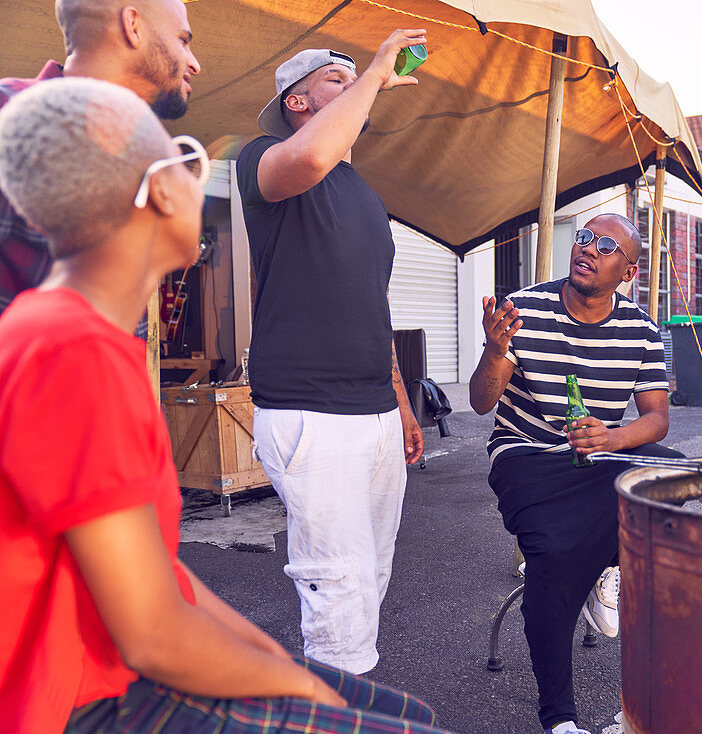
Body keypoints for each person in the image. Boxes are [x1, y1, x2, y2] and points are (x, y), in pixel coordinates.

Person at [0, 77, 452, 734]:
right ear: (155, 190)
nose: (203, 179)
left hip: (121, 661)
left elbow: (167, 585)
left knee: (400, 709)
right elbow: (153, 638)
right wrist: (305, 692)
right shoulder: (69, 352)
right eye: (186, 156)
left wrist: (275, 661)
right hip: (86, 699)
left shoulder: (91, 341)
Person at [235, 36, 428, 676]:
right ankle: (338, 711)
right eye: (336, 78)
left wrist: (401, 404)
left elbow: (372, 303)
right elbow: (314, 153)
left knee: (368, 579)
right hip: (310, 411)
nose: (355, 84)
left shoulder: (362, 192)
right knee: (337, 592)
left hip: (373, 410)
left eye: (355, 77)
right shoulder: (262, 158)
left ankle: (347, 699)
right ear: (297, 100)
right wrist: (374, 70)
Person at [470, 213, 683, 734]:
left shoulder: (641, 330)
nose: (587, 248)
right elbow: (480, 404)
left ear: (629, 271)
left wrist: (611, 438)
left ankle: (603, 561)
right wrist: (495, 350)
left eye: (606, 245)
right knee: (554, 555)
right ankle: (561, 721)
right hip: (525, 457)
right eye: (583, 238)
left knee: (674, 474)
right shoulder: (523, 308)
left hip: (594, 459)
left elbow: (656, 419)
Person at [0, 0, 201, 315]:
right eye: (183, 41)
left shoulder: (146, 153)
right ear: (133, 26)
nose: (194, 64)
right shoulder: (6, 111)